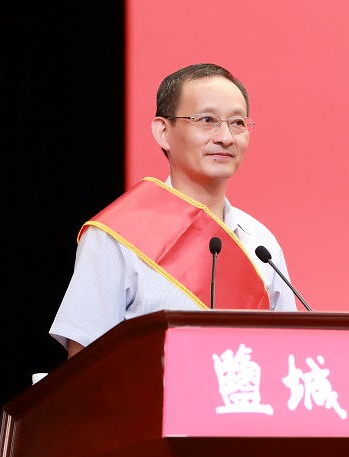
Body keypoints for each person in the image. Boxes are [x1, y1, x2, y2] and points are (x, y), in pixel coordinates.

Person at [50, 63, 297, 358]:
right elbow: (85, 365)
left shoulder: (261, 243)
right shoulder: (116, 237)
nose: (225, 137)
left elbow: (288, 354)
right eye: (207, 120)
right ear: (163, 132)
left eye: (237, 123)